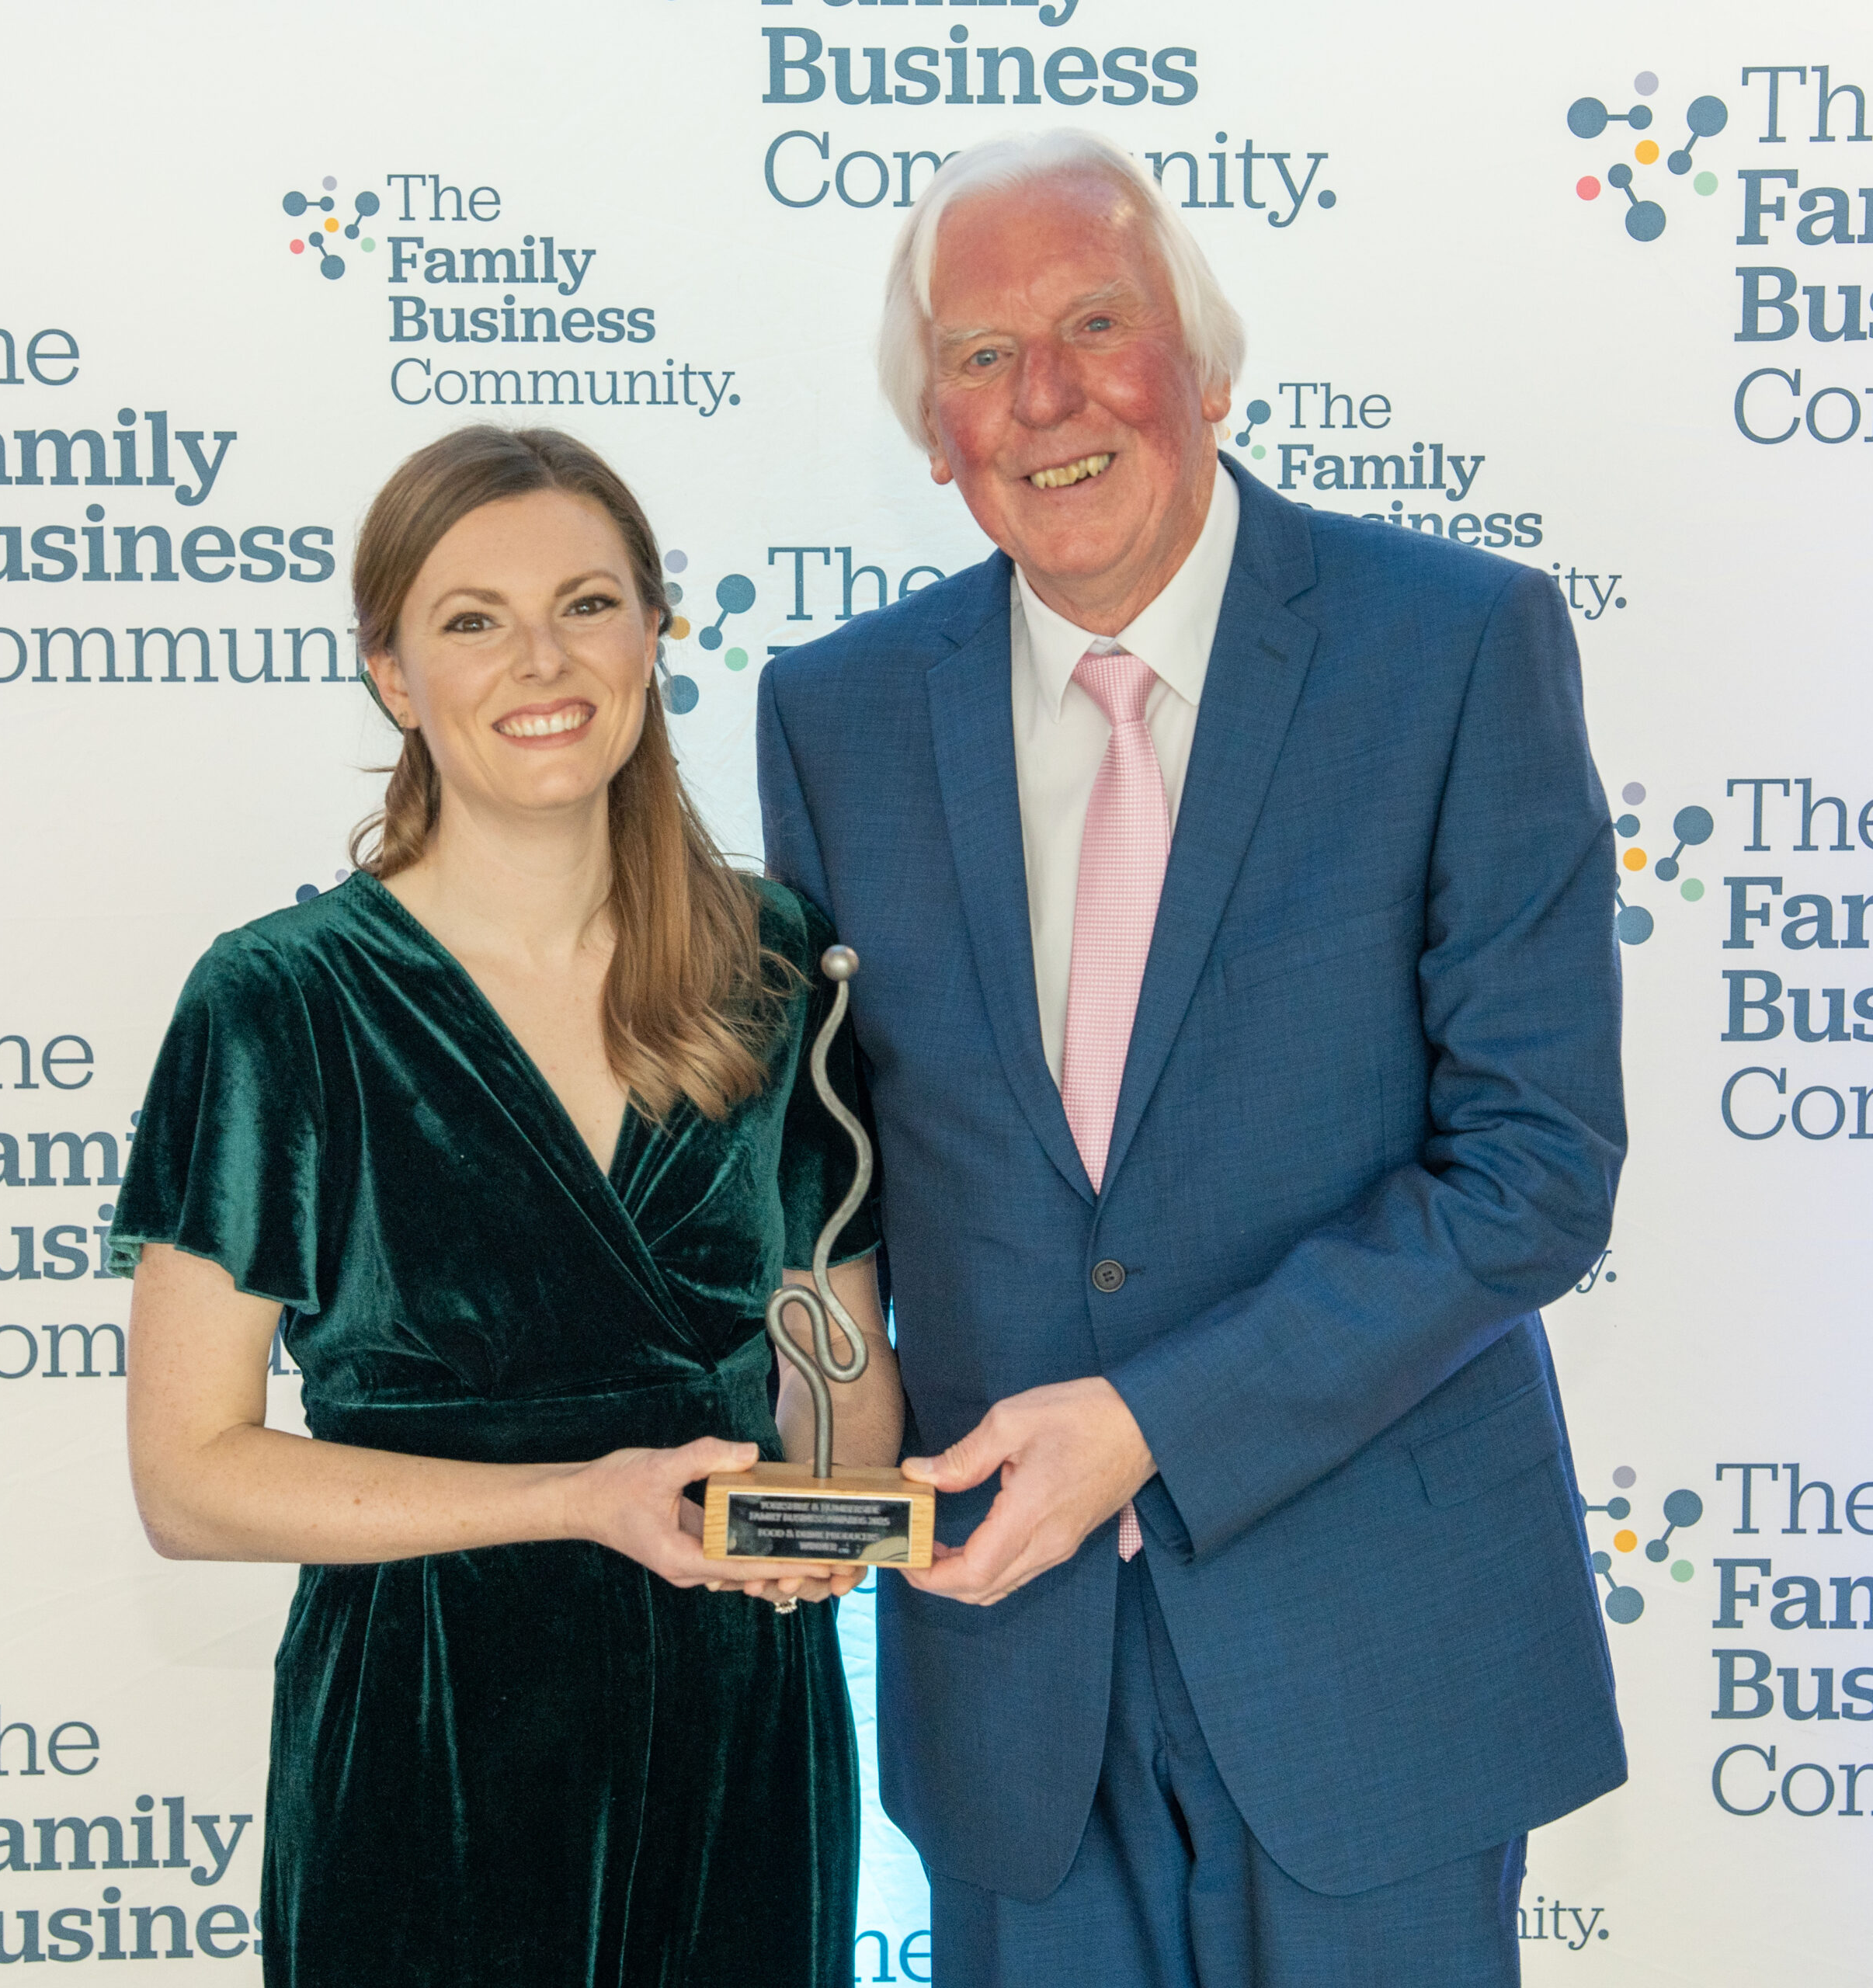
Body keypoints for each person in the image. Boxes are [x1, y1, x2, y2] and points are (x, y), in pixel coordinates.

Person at [756, 131, 1627, 1986]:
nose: (1044, 395)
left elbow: (1533, 1170)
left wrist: (1150, 1423)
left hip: (1374, 1660)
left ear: (1205, 367)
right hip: (1008, 1678)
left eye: (1094, 323)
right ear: (934, 435)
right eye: (980, 355)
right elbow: (826, 1178)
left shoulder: (1451, 646)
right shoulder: (831, 714)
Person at [115, 425, 902, 1988]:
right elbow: (188, 1479)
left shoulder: (773, 964)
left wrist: (823, 1518)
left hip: (737, 1726)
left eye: (586, 604)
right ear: (393, 674)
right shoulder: (278, 1002)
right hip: (429, 1738)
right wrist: (575, 1499)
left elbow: (843, 1374)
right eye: (473, 618)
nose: (542, 660)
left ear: (655, 631)